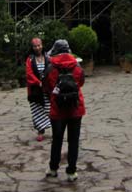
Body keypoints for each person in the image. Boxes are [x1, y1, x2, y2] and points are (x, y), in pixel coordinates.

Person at [43, 39, 86, 182]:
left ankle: (53, 169)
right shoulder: (77, 66)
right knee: (73, 140)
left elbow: (47, 87)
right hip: (75, 108)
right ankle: (71, 172)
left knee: (57, 139)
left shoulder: (51, 67)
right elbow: (80, 83)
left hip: (57, 109)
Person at [25, 37, 51, 141]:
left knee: (50, 110)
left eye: (39, 45)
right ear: (32, 47)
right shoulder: (30, 59)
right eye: (35, 46)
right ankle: (40, 131)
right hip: (35, 90)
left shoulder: (48, 57)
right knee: (37, 111)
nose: (37, 47)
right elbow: (29, 74)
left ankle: (57, 129)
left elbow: (52, 70)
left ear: (42, 45)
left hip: (47, 89)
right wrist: (38, 82)